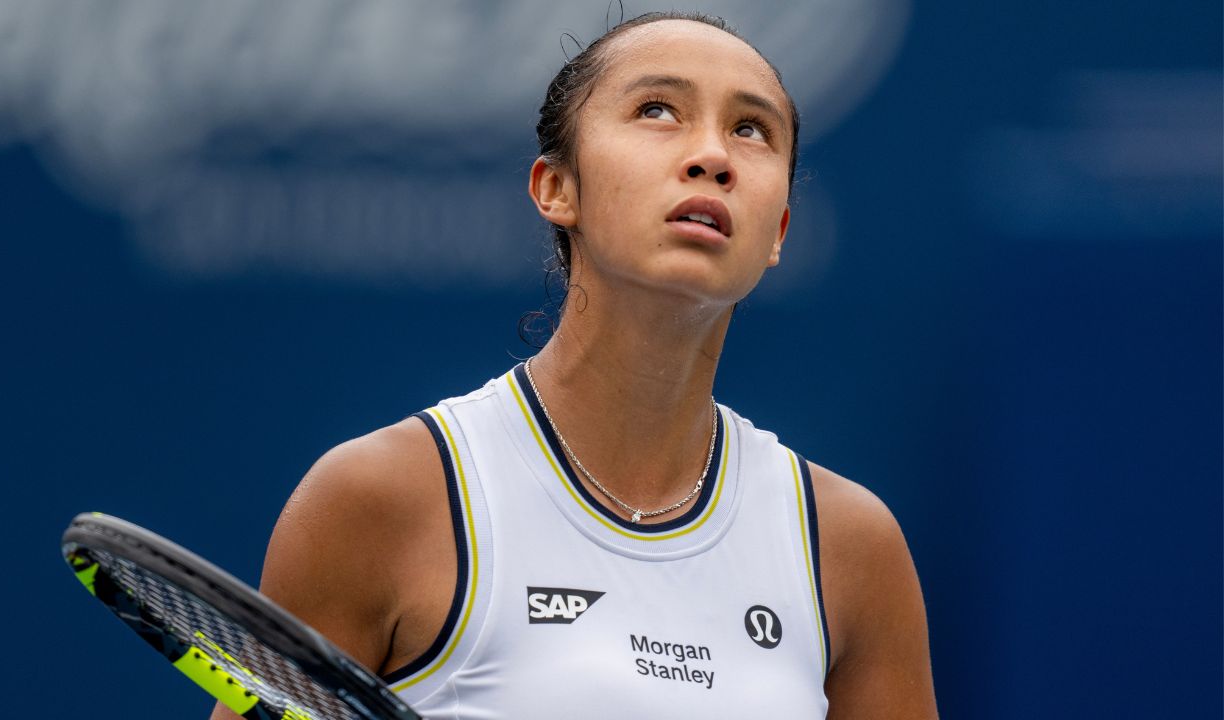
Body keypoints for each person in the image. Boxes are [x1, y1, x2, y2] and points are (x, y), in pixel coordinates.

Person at [212, 10, 937, 719]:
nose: (713, 156)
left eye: (751, 129)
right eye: (657, 110)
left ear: (777, 231)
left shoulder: (850, 547)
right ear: (557, 189)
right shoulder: (377, 499)